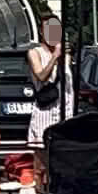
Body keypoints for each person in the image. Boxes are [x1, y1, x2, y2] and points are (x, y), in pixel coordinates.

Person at [25, 13, 71, 152]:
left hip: (65, 113)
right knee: (42, 159)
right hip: (45, 113)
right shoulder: (35, 53)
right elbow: (42, 76)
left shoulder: (66, 55)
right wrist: (55, 57)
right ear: (41, 32)